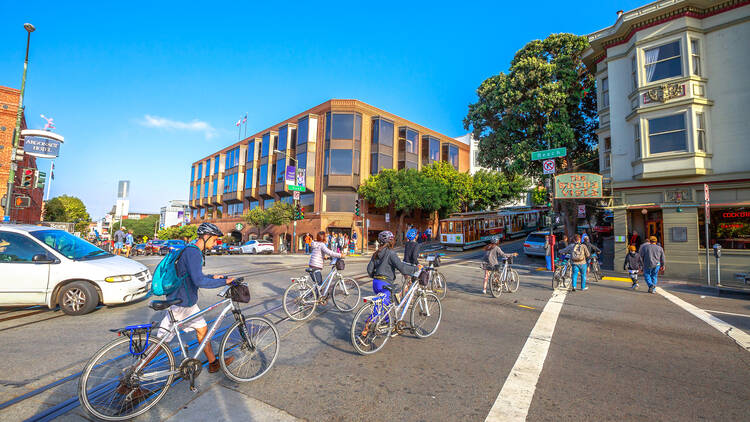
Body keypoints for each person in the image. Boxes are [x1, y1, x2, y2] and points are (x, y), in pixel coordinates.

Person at [156, 223, 235, 374]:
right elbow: (199, 281)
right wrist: (223, 281)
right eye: (214, 240)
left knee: (202, 329)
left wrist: (213, 277)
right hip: (181, 303)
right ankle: (132, 377)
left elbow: (193, 276)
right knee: (161, 342)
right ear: (206, 237)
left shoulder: (190, 250)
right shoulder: (193, 253)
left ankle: (213, 363)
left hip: (186, 302)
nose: (214, 244)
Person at [367, 231, 420, 309]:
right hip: (385, 284)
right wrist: (416, 268)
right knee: (379, 311)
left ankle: (385, 320)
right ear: (390, 241)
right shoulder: (391, 253)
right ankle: (370, 320)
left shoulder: (376, 253)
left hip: (375, 283)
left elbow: (369, 270)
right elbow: (402, 267)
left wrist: (376, 276)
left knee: (383, 308)